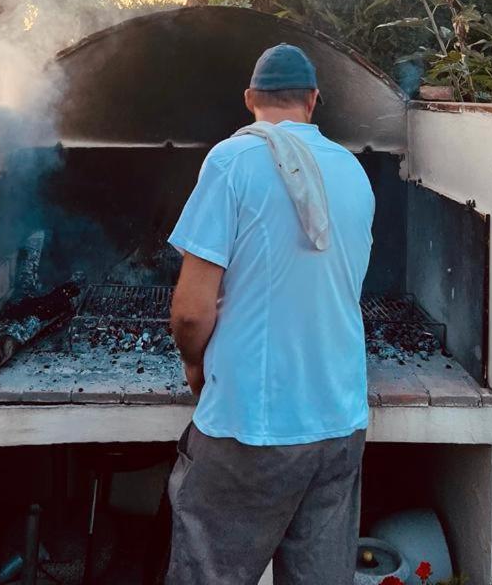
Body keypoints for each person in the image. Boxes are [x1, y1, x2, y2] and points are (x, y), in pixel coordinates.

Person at [165, 43, 375, 585]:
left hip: (252, 428)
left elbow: (190, 311)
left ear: (249, 99)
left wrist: (195, 366)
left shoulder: (232, 161)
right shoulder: (353, 171)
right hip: (340, 425)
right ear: (313, 100)